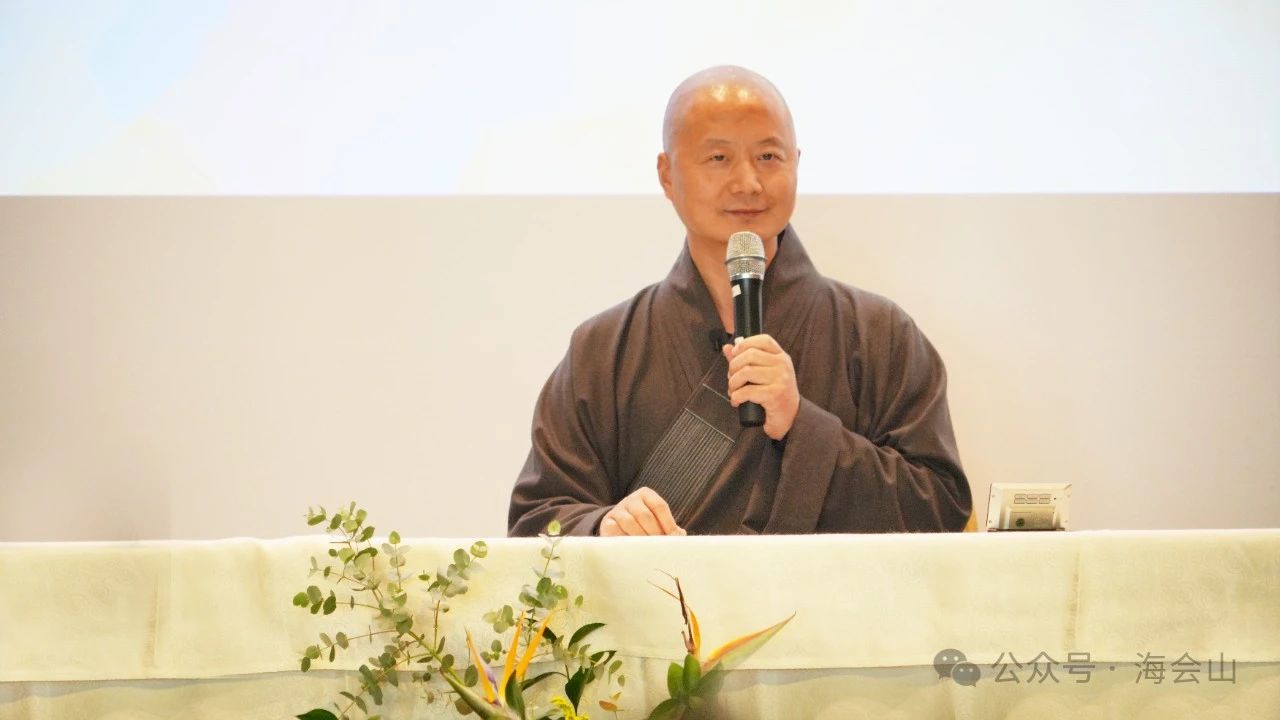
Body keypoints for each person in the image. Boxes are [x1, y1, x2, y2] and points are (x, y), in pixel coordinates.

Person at [507, 66, 971, 537]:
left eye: (769, 156)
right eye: (718, 158)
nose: (748, 182)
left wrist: (803, 427)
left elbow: (941, 509)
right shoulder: (604, 350)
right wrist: (604, 527)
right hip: (666, 590)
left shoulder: (879, 335)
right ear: (667, 175)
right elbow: (536, 521)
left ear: (796, 163)